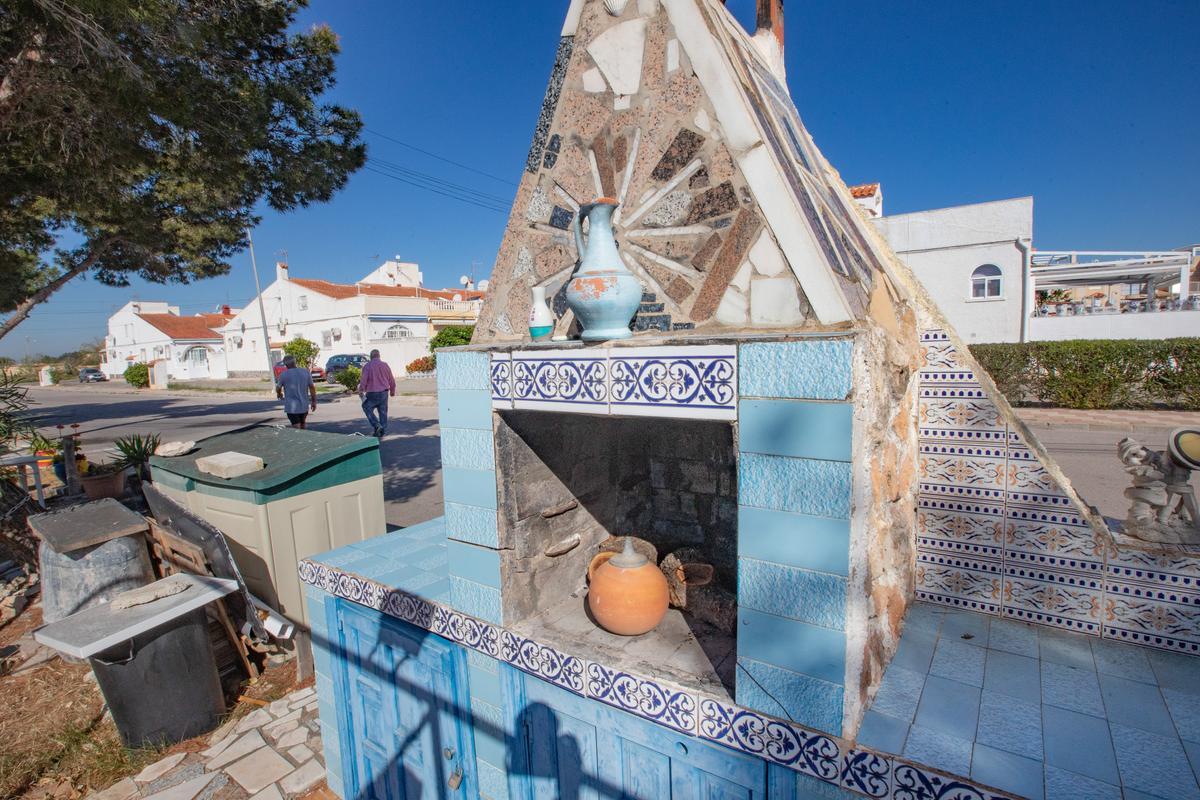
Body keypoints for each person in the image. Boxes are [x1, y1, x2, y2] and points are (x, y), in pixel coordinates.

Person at [358, 349, 396, 438]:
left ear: (371, 357)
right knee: (383, 412)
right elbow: (391, 379)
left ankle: (376, 425)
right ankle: (382, 430)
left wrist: (361, 390)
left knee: (366, 407)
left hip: (372, 393)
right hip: (384, 393)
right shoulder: (385, 365)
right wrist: (392, 391)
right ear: (379, 356)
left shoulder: (367, 366)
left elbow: (363, 380)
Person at [275, 356, 317, 429]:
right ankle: (304, 439)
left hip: (291, 408)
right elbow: (312, 387)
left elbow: (278, 387)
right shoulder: (305, 372)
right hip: (304, 406)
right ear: (295, 362)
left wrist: (279, 393)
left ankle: (299, 439)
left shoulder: (283, 374)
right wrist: (314, 401)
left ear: (285, 364)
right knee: (303, 425)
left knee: (296, 428)